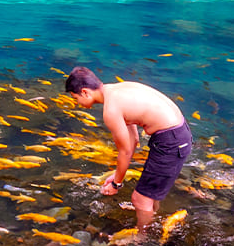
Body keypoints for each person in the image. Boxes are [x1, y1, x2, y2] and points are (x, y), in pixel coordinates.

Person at [65, 66, 192, 234]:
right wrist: (117, 174)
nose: (77, 104)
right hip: (178, 134)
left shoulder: (110, 110)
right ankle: (153, 219)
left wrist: (117, 184)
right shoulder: (118, 89)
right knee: (148, 195)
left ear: (85, 92)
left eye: (76, 98)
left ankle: (142, 239)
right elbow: (133, 140)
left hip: (170, 141)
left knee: (139, 199)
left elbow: (125, 151)